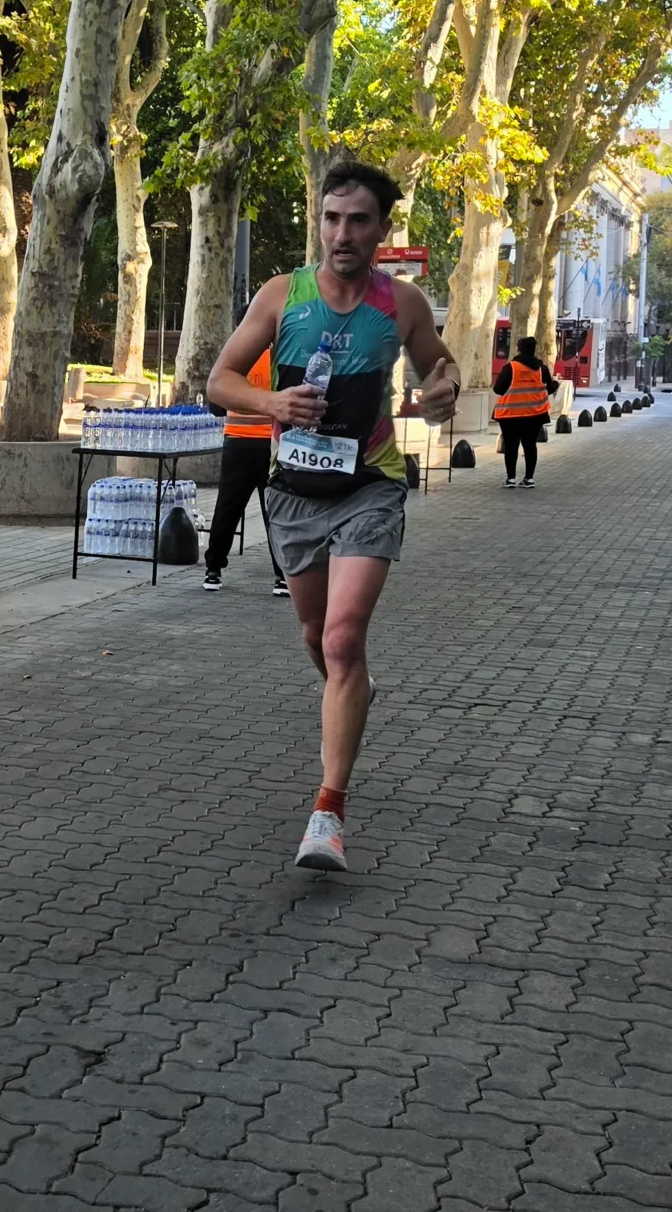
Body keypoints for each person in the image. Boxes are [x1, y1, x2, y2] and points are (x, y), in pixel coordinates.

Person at [205, 162, 460, 873]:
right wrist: (271, 403)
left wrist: (442, 392)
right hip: (293, 492)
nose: (342, 233)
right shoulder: (282, 295)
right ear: (319, 222)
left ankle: (328, 812)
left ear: (381, 230)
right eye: (331, 218)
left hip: (370, 486)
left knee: (344, 638)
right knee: (318, 636)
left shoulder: (401, 303)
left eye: (358, 221)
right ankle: (352, 690)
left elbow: (440, 368)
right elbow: (220, 380)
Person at [202, 347, 287, 595]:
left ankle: (213, 570)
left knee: (227, 507)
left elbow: (216, 406)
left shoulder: (233, 359)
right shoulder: (278, 358)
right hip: (270, 444)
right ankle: (282, 576)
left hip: (236, 441)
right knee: (273, 509)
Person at [491, 335, 558, 487]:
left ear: (518, 349)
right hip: (535, 414)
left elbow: (498, 389)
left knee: (511, 446)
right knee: (530, 446)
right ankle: (529, 479)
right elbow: (549, 388)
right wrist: (555, 384)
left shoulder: (511, 367)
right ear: (534, 350)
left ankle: (511, 479)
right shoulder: (541, 369)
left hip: (510, 415)